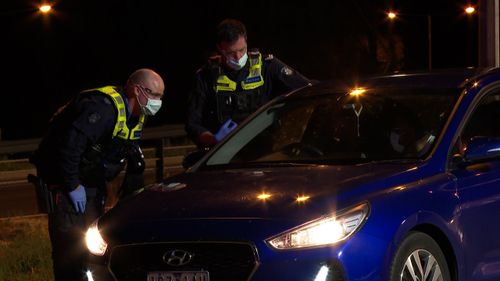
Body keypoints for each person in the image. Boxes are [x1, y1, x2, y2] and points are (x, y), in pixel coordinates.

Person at [31, 68, 165, 281]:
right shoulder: (102, 108)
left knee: (93, 248)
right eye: (154, 94)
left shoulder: (138, 115)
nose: (157, 101)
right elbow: (70, 147)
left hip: (92, 184)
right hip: (67, 185)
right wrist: (72, 185)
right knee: (70, 249)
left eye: (160, 96)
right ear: (136, 90)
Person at [186, 18, 311, 147]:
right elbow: (193, 124)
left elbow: (307, 88)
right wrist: (214, 139)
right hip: (223, 153)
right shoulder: (205, 76)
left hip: (264, 151)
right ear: (219, 48)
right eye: (230, 53)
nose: (238, 57)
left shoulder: (267, 66)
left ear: (246, 40)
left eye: (241, 50)